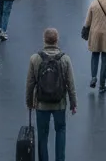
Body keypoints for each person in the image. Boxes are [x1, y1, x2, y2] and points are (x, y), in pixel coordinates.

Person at [27, 28, 77, 161]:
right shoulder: (65, 59)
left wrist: (29, 103)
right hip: (59, 103)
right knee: (60, 131)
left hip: (41, 104)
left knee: (42, 135)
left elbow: (30, 84)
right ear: (57, 40)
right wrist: (73, 103)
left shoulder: (35, 58)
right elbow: (70, 83)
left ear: (44, 40)